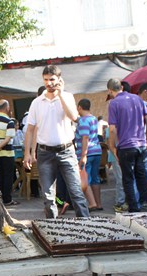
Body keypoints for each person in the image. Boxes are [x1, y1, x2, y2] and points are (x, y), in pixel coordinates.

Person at [23, 65, 89, 218]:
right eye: (46, 80)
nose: (49, 83)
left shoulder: (68, 97)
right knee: (48, 197)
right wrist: (27, 152)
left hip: (66, 151)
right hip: (45, 153)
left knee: (76, 193)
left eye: (52, 79)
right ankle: (53, 230)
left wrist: (60, 95)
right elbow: (30, 129)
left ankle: (86, 226)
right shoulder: (37, 102)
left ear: (59, 79)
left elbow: (74, 117)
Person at [106, 78, 147, 213]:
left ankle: (134, 207)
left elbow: (112, 129)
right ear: (122, 88)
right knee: (144, 176)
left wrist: (112, 147)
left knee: (128, 178)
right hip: (141, 145)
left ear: (110, 90)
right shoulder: (137, 99)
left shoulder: (114, 104)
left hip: (125, 146)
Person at [0, 99, 18, 206]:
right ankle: (7, 199)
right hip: (7, 153)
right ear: (7, 108)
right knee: (8, 176)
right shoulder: (9, 122)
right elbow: (8, 138)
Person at [75, 99, 103, 211]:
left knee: (84, 179)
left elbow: (85, 137)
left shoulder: (83, 121)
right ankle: (98, 203)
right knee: (95, 178)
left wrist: (83, 155)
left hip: (87, 152)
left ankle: (92, 203)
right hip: (97, 150)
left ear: (80, 107)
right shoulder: (93, 119)